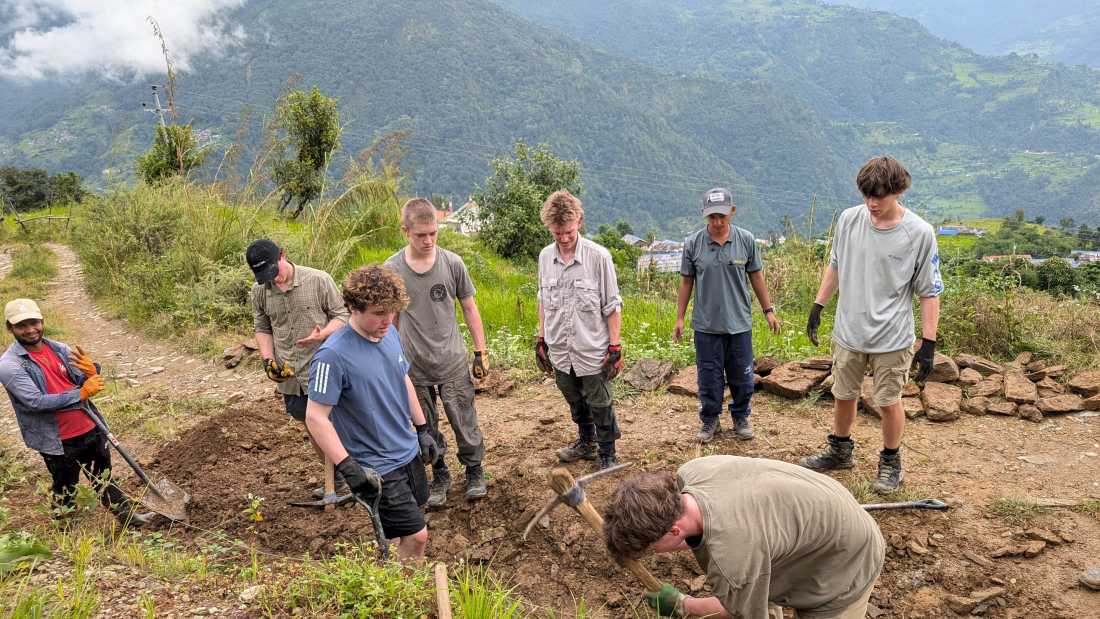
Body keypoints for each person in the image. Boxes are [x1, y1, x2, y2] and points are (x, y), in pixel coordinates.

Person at [801, 156, 942, 493]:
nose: (871, 203)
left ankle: (891, 461)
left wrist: (929, 343)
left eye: (879, 196)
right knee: (843, 394)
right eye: (867, 195)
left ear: (897, 191)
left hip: (892, 338)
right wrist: (819, 305)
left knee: (888, 400)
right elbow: (835, 264)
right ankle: (840, 449)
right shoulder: (850, 220)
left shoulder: (919, 233)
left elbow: (929, 291)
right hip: (849, 331)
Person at [603, 455, 884, 619]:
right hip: (818, 511)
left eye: (652, 548)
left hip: (847, 559)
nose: (655, 553)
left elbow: (742, 612)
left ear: (674, 531)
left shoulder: (733, 559)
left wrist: (682, 604)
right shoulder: (693, 472)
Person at [304, 265, 440, 562]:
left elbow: (402, 377)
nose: (387, 320)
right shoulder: (332, 356)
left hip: (406, 450)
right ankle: (404, 593)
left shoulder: (389, 333)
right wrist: (348, 467)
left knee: (409, 524)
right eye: (378, 313)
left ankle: (396, 574)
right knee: (418, 536)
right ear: (352, 307)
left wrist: (422, 429)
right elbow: (314, 417)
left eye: (392, 312)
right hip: (376, 464)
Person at [0, 298, 151, 525]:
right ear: (10, 328)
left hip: (90, 425)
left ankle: (128, 518)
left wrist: (91, 372)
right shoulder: (9, 365)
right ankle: (66, 529)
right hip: (58, 440)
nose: (30, 330)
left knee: (105, 477)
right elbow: (35, 401)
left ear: (42, 321)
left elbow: (82, 380)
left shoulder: (60, 349)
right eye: (22, 326)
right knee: (65, 485)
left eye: (34, 323)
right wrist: (81, 394)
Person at [385, 198, 488, 506]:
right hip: (414, 365)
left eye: (433, 233)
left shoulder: (452, 263)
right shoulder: (393, 270)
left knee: (464, 419)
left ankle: (474, 470)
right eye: (421, 235)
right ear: (406, 231)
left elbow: (469, 307)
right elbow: (390, 319)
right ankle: (439, 473)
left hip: (452, 361)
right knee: (425, 425)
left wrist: (480, 351)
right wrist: (391, 361)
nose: (428, 240)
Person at [673, 187, 780, 443]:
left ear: (732, 211)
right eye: (712, 217)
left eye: (722, 215)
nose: (717, 222)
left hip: (739, 324)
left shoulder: (746, 241)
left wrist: (768, 311)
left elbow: (756, 276)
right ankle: (710, 421)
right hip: (707, 326)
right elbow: (687, 282)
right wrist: (679, 318)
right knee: (708, 378)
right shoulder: (693, 244)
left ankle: (740, 416)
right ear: (704, 215)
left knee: (742, 377)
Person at [247, 239, 348, 498]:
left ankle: (355, 472)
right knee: (310, 424)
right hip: (291, 373)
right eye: (266, 277)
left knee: (341, 423)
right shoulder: (259, 292)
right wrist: (268, 360)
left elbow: (342, 316)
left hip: (325, 366)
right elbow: (262, 327)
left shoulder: (318, 280)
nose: (275, 280)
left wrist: (322, 334)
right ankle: (333, 479)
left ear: (282, 255)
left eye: (275, 272)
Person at [535, 189, 624, 470]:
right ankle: (587, 441)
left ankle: (607, 452)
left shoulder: (599, 257)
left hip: (592, 347)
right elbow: (542, 299)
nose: (563, 239)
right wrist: (541, 337)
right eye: (557, 233)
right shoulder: (545, 257)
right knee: (572, 396)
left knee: (600, 401)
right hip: (561, 348)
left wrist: (615, 346)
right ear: (550, 228)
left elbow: (612, 304)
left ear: (580, 222)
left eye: (568, 233)